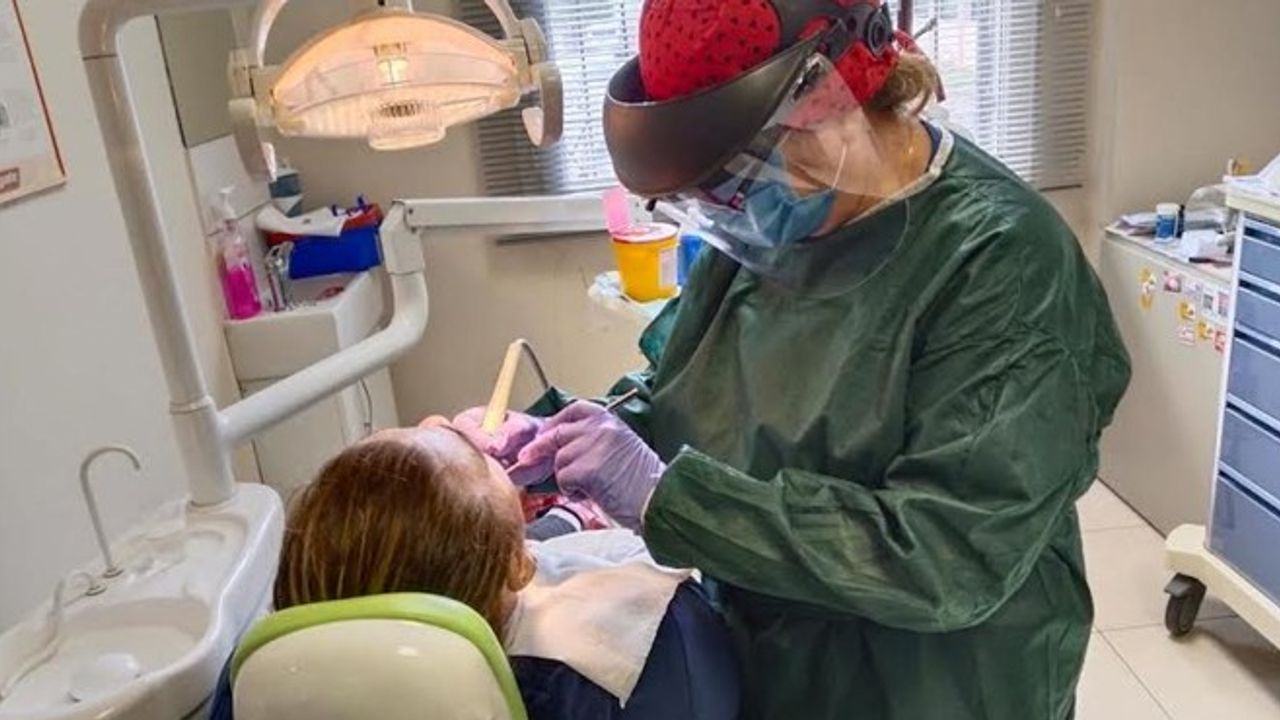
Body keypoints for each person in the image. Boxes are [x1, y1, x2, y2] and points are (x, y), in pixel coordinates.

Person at [454, 1, 1133, 718]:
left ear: (823, 103)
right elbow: (689, 382)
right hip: (777, 646)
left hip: (934, 681)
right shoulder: (768, 225)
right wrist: (576, 434)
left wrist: (665, 496)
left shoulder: (1003, 267)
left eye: (733, 181)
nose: (729, 209)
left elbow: (948, 556)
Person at [212, 421, 741, 720]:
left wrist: (566, 518)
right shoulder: (640, 656)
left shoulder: (260, 670)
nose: (442, 425)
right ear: (519, 565)